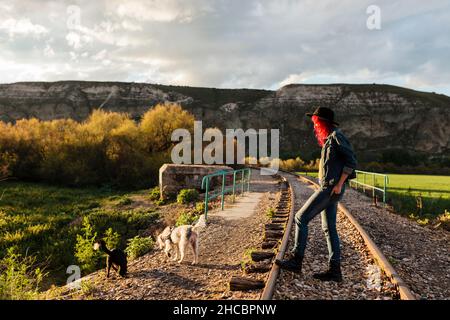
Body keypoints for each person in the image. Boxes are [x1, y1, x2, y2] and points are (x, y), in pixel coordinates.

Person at [275, 106, 357, 282]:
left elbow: (351, 161)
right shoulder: (330, 138)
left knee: (300, 218)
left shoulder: (336, 136)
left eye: (316, 122)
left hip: (330, 188)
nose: (314, 126)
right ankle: (335, 271)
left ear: (323, 122)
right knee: (329, 228)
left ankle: (296, 261)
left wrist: (339, 184)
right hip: (330, 187)